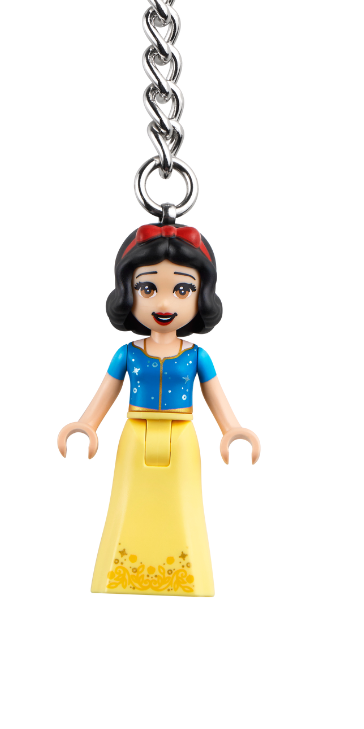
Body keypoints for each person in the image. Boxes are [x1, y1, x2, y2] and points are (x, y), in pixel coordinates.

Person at [58, 224, 260, 595]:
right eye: (148, 288)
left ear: (202, 295)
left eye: (182, 290)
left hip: (182, 439)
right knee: (128, 499)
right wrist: (86, 425)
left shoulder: (197, 356)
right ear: (127, 292)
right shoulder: (127, 354)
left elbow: (216, 396)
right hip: (134, 436)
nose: (164, 305)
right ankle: (120, 576)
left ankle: (187, 579)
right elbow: (105, 393)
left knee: (183, 502)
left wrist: (232, 430)